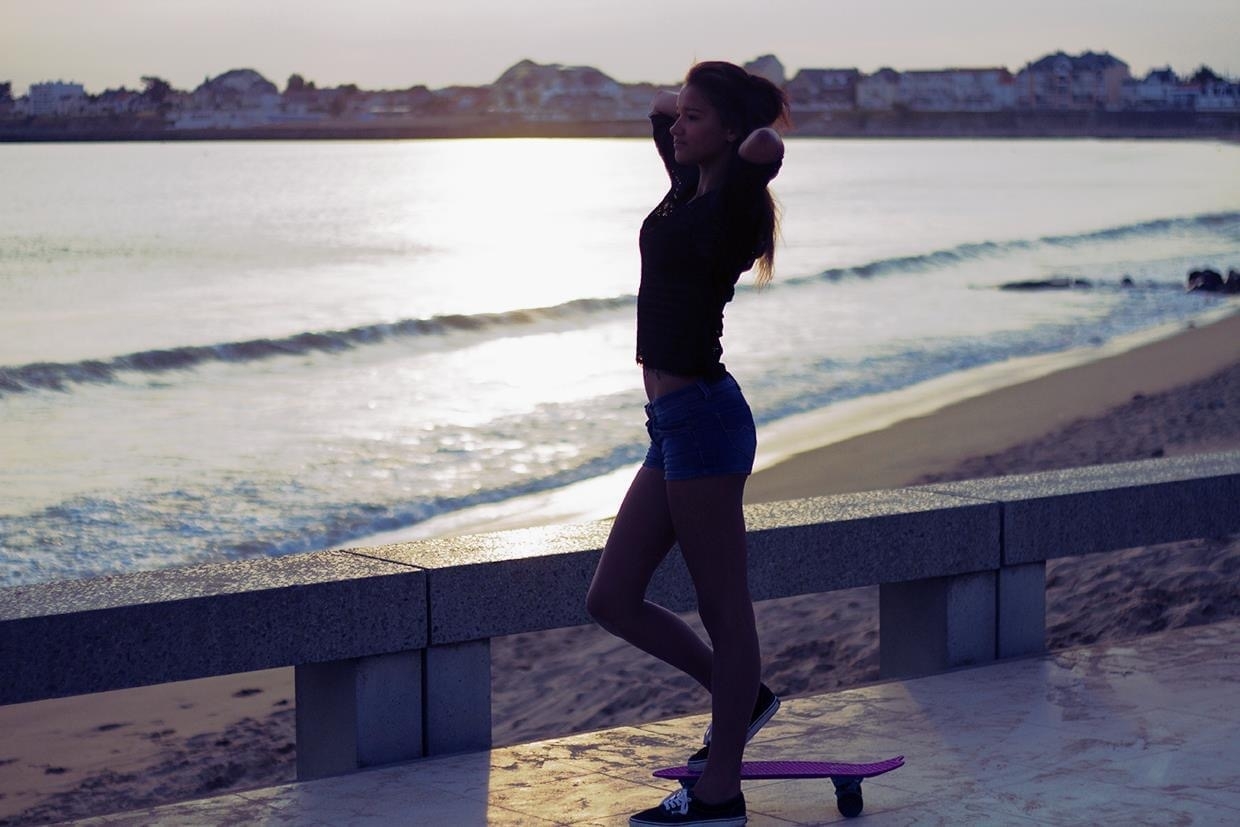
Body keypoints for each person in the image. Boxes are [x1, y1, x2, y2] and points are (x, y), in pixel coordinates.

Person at [585, 61, 789, 827]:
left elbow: (768, 145)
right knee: (611, 597)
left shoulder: (733, 204)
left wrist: (749, 131)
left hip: (704, 419)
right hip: (673, 425)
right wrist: (699, 105)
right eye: (683, 118)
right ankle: (745, 698)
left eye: (695, 119)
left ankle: (719, 792)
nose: (677, 127)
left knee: (723, 609)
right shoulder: (688, 187)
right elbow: (659, 107)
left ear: (729, 132)